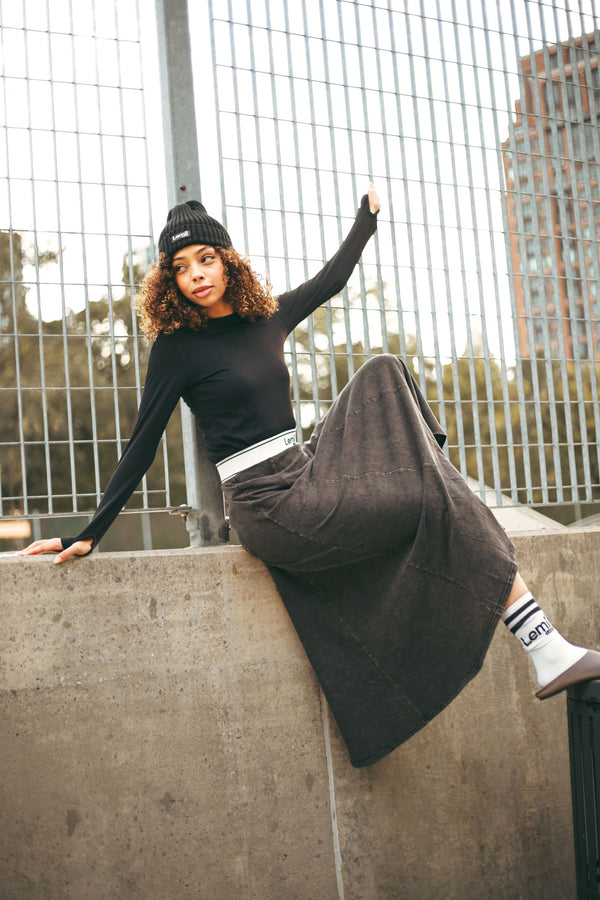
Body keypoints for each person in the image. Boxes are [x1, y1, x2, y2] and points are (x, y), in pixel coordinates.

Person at [19, 185, 600, 767]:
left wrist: (366, 218)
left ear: (227, 262)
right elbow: (143, 443)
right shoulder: (177, 349)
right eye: (180, 267)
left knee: (382, 372)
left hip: (304, 469)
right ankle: (545, 645)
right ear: (169, 282)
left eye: (206, 258)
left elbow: (332, 280)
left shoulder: (266, 319)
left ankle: (538, 636)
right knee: (437, 494)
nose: (195, 274)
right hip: (267, 504)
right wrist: (88, 532)